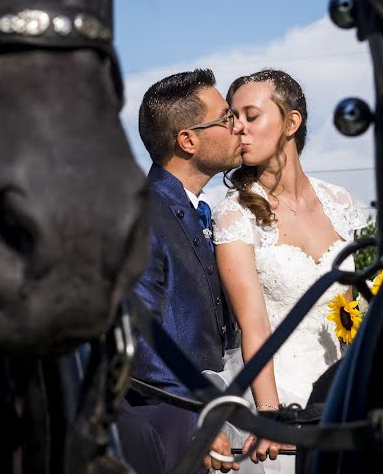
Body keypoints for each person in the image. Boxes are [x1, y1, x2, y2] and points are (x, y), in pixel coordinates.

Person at [213, 69, 366, 472]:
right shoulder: (235, 213)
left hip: (337, 399)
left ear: (291, 122)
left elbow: (346, 313)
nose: (238, 130)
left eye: (251, 116)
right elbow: (254, 322)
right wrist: (269, 412)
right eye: (233, 118)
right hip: (277, 397)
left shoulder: (340, 202)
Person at [122, 69, 244, 473]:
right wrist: (195, 415)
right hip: (170, 427)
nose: (236, 126)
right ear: (188, 140)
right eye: (225, 118)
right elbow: (141, 336)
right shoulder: (141, 212)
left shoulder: (203, 212)